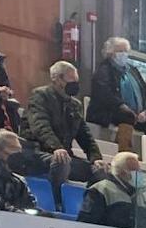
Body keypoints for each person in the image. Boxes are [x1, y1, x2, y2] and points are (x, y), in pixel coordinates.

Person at [20, 60, 107, 199]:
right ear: (57, 78)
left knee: (99, 171)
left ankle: (89, 208)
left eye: (76, 80)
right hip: (37, 152)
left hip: (64, 154)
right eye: (71, 80)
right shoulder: (40, 96)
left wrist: (96, 158)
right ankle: (56, 201)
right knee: (62, 161)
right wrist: (57, 148)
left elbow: (85, 135)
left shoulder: (75, 105)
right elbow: (40, 126)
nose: (75, 84)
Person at [85, 37, 146, 151]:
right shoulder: (104, 70)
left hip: (137, 115)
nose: (124, 54)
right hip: (110, 112)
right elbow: (104, 93)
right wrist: (122, 106)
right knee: (127, 117)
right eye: (120, 51)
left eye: (125, 51)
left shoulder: (132, 71)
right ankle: (124, 152)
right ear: (111, 53)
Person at [78, 151, 146, 228]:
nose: (139, 174)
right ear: (121, 172)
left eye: (139, 171)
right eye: (135, 171)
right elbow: (86, 224)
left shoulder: (142, 198)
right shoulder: (101, 190)